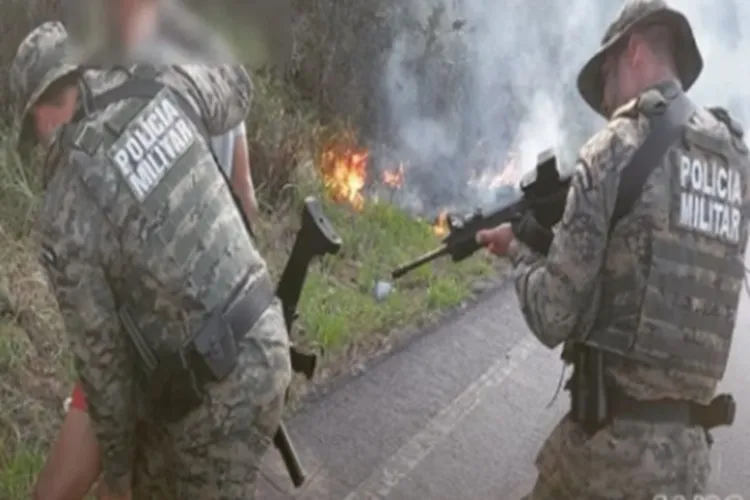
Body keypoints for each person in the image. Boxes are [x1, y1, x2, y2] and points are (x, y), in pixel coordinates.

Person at [476, 0, 748, 498]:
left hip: (607, 462)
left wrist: (518, 251)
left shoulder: (613, 149)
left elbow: (555, 315)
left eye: (605, 76)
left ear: (636, 51)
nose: (604, 101)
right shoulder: (736, 163)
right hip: (688, 465)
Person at [11, 16, 290, 500]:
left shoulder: (64, 207)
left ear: (39, 112)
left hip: (218, 393)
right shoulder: (158, 80)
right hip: (266, 334)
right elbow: (238, 86)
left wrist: (116, 481)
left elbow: (105, 372)